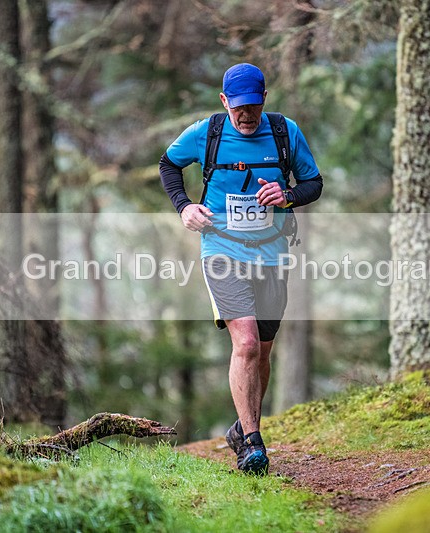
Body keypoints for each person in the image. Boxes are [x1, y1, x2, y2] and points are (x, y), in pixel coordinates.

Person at [159, 63, 323, 474]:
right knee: (246, 343)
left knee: (263, 351)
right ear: (223, 102)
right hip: (222, 250)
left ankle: (242, 428)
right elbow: (168, 165)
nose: (245, 116)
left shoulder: (285, 132)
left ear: (264, 99)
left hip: (273, 254)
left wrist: (286, 195)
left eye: (252, 107)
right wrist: (185, 208)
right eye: (237, 109)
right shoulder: (206, 133)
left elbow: (314, 183)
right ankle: (252, 443)